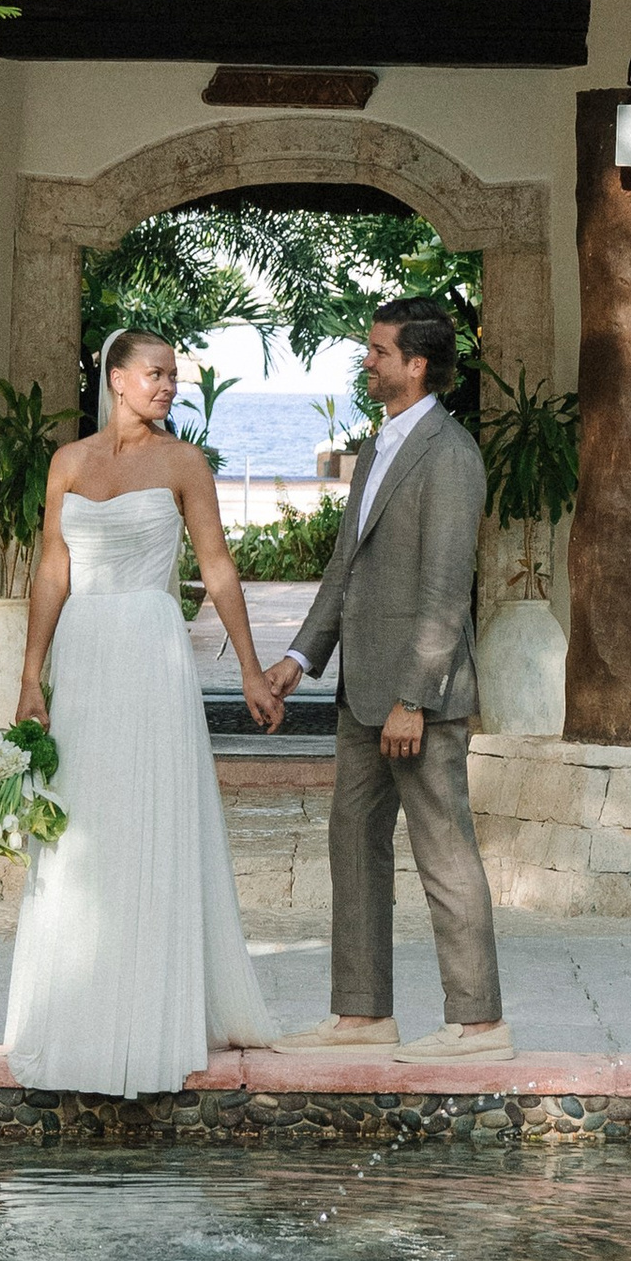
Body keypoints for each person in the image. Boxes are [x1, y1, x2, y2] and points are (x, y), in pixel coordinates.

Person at [3, 327, 281, 1094]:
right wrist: (31, 676)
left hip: (152, 651)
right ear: (117, 379)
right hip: (85, 652)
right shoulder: (69, 463)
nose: (168, 387)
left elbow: (218, 566)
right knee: (85, 823)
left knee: (148, 817)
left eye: (174, 377)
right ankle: (80, 1007)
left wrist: (251, 671)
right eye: (156, 374)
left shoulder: (183, 462)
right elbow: (51, 571)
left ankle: (155, 1011)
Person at [265, 300, 511, 1060]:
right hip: (358, 698)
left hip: (418, 704)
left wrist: (413, 699)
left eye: (377, 352)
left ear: (417, 365)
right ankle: (363, 1015)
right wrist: (298, 659)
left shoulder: (451, 453)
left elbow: (445, 590)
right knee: (352, 847)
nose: (366, 362)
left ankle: (479, 1026)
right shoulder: (375, 451)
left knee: (444, 855)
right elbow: (346, 571)